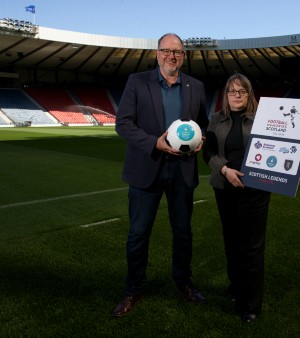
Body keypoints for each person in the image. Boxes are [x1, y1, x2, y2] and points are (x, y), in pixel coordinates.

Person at [202, 74, 300, 323]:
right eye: (232, 91)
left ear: (249, 94)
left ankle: (250, 305)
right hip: (224, 187)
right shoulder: (215, 119)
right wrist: (224, 169)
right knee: (231, 242)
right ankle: (236, 286)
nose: (237, 95)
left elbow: (284, 139)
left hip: (256, 189)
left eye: (242, 91)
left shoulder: (264, 118)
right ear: (226, 95)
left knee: (251, 247)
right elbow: (207, 151)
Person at [112, 33, 209, 318]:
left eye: (177, 52)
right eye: (166, 51)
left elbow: (203, 124)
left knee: (183, 232)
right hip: (146, 167)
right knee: (138, 233)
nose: (172, 56)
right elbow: (123, 124)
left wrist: (201, 140)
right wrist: (154, 142)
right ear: (157, 54)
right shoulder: (137, 82)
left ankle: (183, 283)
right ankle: (133, 289)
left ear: (183, 56)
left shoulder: (196, 86)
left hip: (183, 169)